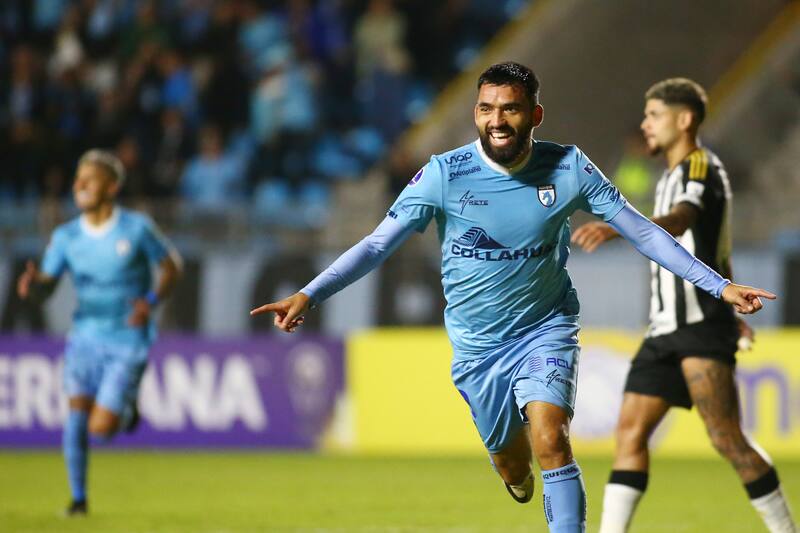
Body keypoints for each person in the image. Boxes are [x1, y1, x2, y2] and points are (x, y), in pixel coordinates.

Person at [251, 63, 774, 533]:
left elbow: (642, 232)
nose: (496, 120)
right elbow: (377, 244)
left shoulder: (568, 167)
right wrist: (310, 293)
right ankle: (513, 471)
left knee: (552, 437)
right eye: (485, 109)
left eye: (509, 108)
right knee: (515, 466)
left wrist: (720, 286)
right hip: (477, 348)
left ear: (535, 113)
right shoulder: (443, 174)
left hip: (546, 325)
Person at [572, 78, 796, 533]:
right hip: (663, 330)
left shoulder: (699, 168)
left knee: (727, 439)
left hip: (697, 329)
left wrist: (623, 226)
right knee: (630, 433)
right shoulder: (672, 175)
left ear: (684, 119)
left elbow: (680, 221)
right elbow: (719, 249)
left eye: (654, 115)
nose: (645, 125)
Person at [17, 149, 182, 516]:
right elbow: (48, 285)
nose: (78, 186)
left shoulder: (136, 229)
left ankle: (126, 408)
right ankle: (78, 500)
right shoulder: (66, 237)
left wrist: (151, 300)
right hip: (85, 335)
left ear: (111, 186)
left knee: (102, 429)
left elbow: (172, 267)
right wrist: (35, 284)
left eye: (87, 180)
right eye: (77, 179)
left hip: (127, 337)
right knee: (76, 414)